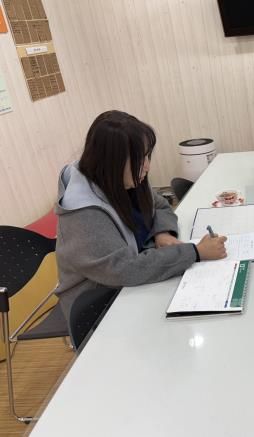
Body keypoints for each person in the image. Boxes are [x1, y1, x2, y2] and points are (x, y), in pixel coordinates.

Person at [55, 110, 227, 319]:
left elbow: (161, 206)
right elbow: (124, 269)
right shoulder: (84, 213)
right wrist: (195, 252)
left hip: (135, 287)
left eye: (147, 155)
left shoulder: (123, 180)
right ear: (112, 161)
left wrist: (162, 233)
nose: (147, 166)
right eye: (139, 158)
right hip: (99, 308)